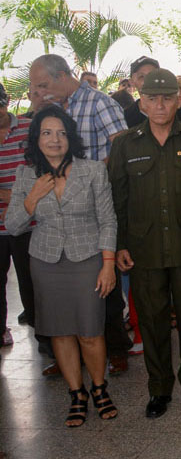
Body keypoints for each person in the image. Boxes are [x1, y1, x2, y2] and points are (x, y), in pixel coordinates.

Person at [108, 69, 181, 419]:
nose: (159, 105)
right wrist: (121, 244)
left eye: (167, 98)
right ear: (141, 102)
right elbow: (117, 199)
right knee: (154, 323)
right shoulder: (126, 144)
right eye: (152, 98)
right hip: (144, 251)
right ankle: (159, 389)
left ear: (178, 100)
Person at [5, 107, 119, 426]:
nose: (54, 140)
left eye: (61, 133)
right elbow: (13, 225)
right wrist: (31, 200)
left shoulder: (93, 170)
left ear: (70, 137)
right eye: (46, 133)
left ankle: (99, 388)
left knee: (90, 331)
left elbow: (108, 220)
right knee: (60, 332)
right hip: (46, 262)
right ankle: (76, 393)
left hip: (87, 260)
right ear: (36, 138)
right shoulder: (26, 175)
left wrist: (108, 264)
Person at [28, 54, 131, 377]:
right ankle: (66, 353)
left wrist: (85, 176)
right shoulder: (54, 111)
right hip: (60, 212)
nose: (41, 92)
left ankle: (116, 350)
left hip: (99, 208)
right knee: (63, 290)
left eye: (43, 85)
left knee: (104, 284)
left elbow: (122, 151)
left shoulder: (99, 103)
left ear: (62, 76)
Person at [1, 88, 33, 347]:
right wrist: (9, 195)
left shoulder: (29, 129)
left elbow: (43, 173)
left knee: (31, 284)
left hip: (30, 224)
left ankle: (45, 339)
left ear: (7, 103)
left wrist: (21, 199)